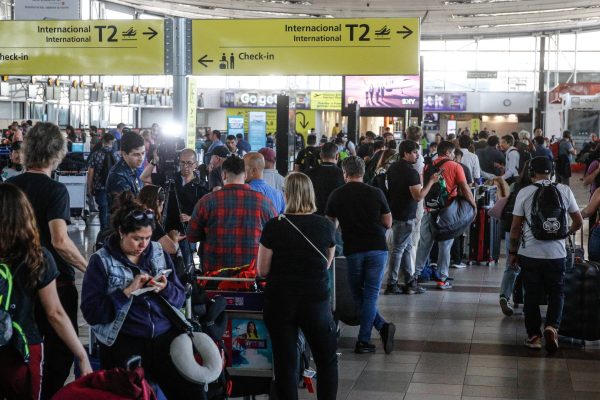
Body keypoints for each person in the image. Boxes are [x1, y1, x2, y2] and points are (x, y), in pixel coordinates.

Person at [81, 192, 207, 399]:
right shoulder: (101, 262)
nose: (143, 245)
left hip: (165, 338)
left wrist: (164, 288)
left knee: (193, 391)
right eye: (137, 239)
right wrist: (127, 292)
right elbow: (92, 313)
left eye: (148, 238)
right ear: (121, 232)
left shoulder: (158, 253)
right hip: (125, 341)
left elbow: (178, 298)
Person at [8, 122, 88, 399]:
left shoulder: (9, 186)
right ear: (58, 153)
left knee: (22, 346)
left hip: (16, 281)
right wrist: (88, 267)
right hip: (54, 281)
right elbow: (60, 241)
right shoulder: (56, 190)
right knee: (59, 353)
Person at [258, 172, 338, 400]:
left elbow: (262, 270)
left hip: (280, 301)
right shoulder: (325, 226)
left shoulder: (274, 226)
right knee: (326, 360)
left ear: (287, 195)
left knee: (285, 363)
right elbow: (327, 264)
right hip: (316, 302)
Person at [508, 157, 582, 353]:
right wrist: (565, 234)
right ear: (552, 172)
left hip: (530, 253)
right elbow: (578, 221)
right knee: (557, 292)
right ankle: (552, 327)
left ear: (531, 172)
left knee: (531, 295)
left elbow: (515, 227)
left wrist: (512, 252)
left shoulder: (525, 192)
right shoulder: (564, 190)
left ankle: (534, 336)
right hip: (556, 254)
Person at [326, 156, 395, 354]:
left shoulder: (337, 195)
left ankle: (367, 337)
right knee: (370, 295)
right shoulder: (376, 192)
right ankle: (379, 329)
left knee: (358, 295)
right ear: (363, 173)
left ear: (345, 173)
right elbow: (388, 223)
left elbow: (331, 225)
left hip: (353, 250)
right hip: (376, 248)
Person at [187, 156, 277, 272]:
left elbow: (191, 236)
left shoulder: (207, 201)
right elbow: (275, 237)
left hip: (214, 278)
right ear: (244, 175)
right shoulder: (265, 202)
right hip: (251, 277)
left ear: (223, 175)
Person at [412, 141, 477, 290]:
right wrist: (473, 204)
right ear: (448, 152)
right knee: (445, 246)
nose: (454, 155)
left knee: (424, 244)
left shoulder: (428, 165)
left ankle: (415, 275)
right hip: (447, 211)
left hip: (429, 210)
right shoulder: (455, 166)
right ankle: (442, 278)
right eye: (453, 153)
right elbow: (464, 188)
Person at [384, 140, 437, 295]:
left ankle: (409, 282)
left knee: (406, 248)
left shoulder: (393, 168)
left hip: (395, 211)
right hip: (406, 215)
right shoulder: (411, 172)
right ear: (405, 153)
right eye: (414, 152)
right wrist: (431, 182)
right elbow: (418, 196)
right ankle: (391, 283)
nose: (417, 155)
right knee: (398, 249)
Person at [499, 162, 532, 316]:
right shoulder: (536, 190)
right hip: (529, 232)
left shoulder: (515, 185)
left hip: (511, 228)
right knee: (529, 267)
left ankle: (504, 296)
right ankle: (527, 301)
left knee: (511, 264)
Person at [106, 131, 145, 208]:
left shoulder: (132, 168)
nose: (141, 158)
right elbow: (128, 207)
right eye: (136, 154)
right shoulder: (118, 175)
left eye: (143, 153)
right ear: (124, 154)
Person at [138, 185, 181, 255]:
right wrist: (174, 238)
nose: (162, 208)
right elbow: (172, 248)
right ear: (158, 202)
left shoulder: (137, 214)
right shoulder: (149, 220)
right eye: (162, 204)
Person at [86, 132, 116, 231]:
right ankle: (113, 231)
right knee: (114, 209)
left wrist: (90, 186)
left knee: (103, 208)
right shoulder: (117, 155)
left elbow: (91, 172)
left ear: (102, 142)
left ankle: (104, 232)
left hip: (100, 186)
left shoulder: (95, 154)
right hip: (115, 188)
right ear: (112, 142)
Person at [307, 142, 345, 215]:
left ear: (321, 156)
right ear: (337, 156)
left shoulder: (309, 174)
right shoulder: (343, 175)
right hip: (335, 216)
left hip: (313, 214)